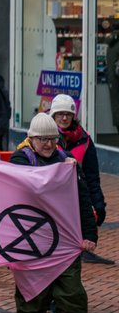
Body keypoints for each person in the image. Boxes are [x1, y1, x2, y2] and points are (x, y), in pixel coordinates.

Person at [9, 112, 97, 313]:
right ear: (31, 139)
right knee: (31, 298)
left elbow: (82, 199)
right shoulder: (19, 160)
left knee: (73, 297)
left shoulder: (67, 163)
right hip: (29, 242)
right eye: (43, 139)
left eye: (53, 139)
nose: (48, 144)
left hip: (64, 243)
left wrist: (89, 234)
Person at [50, 94, 108, 264]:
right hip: (51, 194)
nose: (64, 117)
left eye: (68, 114)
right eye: (60, 113)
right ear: (53, 115)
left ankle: (78, 255)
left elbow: (92, 176)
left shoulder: (85, 139)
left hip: (76, 194)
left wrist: (98, 203)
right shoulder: (44, 136)